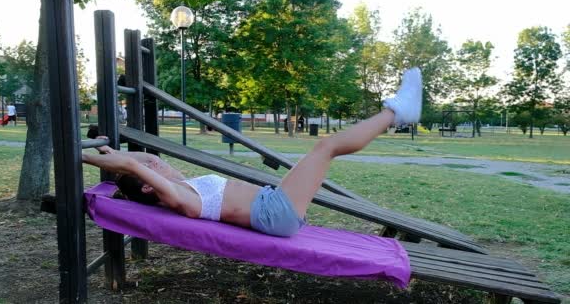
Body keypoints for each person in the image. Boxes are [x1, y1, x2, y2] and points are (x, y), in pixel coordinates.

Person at [82, 68, 423, 237]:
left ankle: (396, 112)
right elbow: (130, 164)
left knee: (322, 149)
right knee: (327, 146)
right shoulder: (178, 199)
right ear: (147, 184)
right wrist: (84, 156)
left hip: (273, 205)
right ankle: (396, 112)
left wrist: (104, 151)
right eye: (151, 164)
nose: (157, 161)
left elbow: (130, 161)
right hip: (275, 213)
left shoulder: (181, 188)